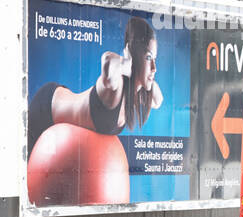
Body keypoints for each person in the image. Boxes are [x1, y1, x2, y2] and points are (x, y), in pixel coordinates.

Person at [27, 16, 163, 153]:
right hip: (46, 109)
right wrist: (129, 61)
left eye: (155, 58)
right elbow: (108, 62)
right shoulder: (116, 85)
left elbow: (158, 100)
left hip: (60, 117)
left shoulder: (136, 95)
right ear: (132, 54)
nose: (154, 67)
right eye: (148, 58)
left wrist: (145, 72)